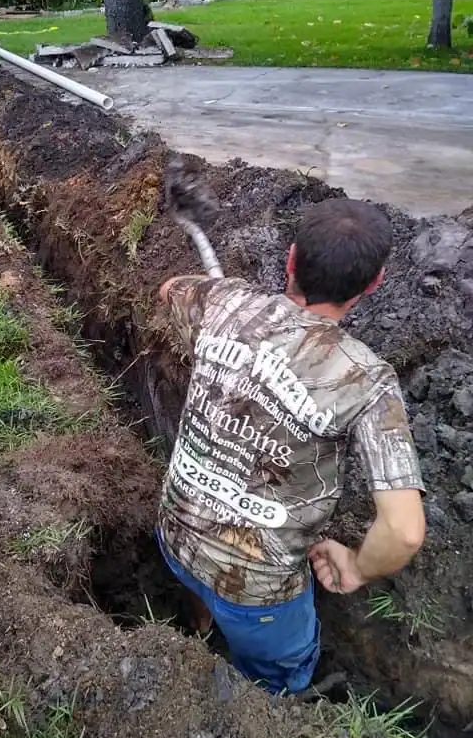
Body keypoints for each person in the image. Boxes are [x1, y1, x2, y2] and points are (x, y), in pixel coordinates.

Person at [157, 197, 426, 695]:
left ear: (291, 259)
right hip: (257, 592)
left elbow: (170, 289)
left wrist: (221, 302)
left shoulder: (226, 303)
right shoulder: (366, 381)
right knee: (283, 671)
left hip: (174, 535)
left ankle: (198, 624)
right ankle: (271, 711)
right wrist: (357, 566)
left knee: (199, 581)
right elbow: (405, 531)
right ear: (373, 284)